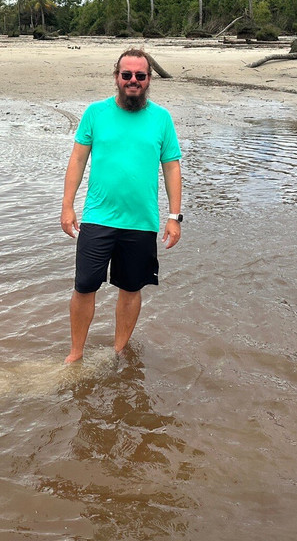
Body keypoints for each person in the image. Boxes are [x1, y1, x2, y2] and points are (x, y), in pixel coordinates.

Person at [60, 48, 183, 363]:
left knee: (130, 289)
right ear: (116, 77)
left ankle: (118, 352)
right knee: (84, 286)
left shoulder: (161, 119)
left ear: (148, 79)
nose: (133, 81)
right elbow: (77, 159)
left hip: (141, 222)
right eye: (126, 75)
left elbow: (171, 167)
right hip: (98, 218)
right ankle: (76, 354)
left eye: (139, 76)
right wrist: (67, 206)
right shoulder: (95, 114)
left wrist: (174, 217)